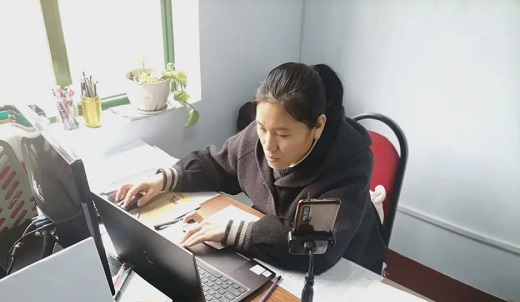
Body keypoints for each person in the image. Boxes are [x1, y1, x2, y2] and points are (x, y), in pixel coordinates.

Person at [116, 62, 387, 274]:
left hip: (344, 266)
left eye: (282, 134)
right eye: (261, 128)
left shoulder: (348, 165)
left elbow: (314, 244)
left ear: (318, 126)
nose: (268, 145)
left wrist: (236, 233)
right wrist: (164, 180)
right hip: (277, 252)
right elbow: (218, 163)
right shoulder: (259, 136)